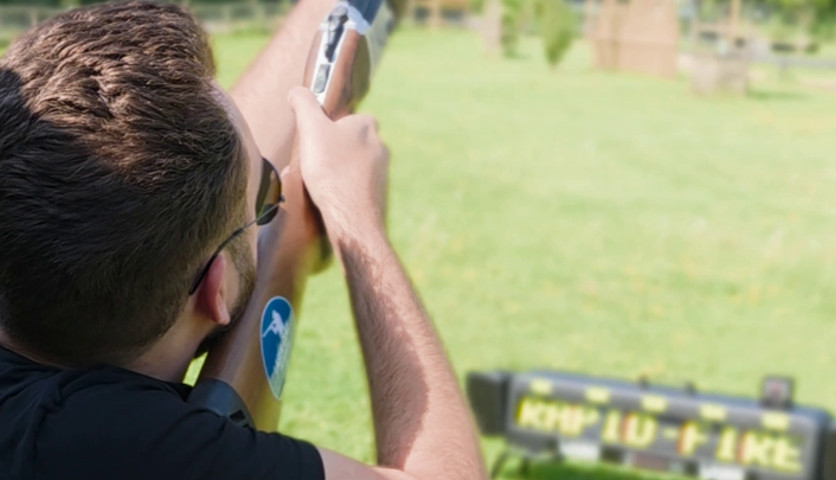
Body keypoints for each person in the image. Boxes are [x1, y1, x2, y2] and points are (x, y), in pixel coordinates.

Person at [0, 2, 487, 479]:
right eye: (263, 196)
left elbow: (166, 181)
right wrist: (356, 218)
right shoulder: (117, 444)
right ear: (217, 289)